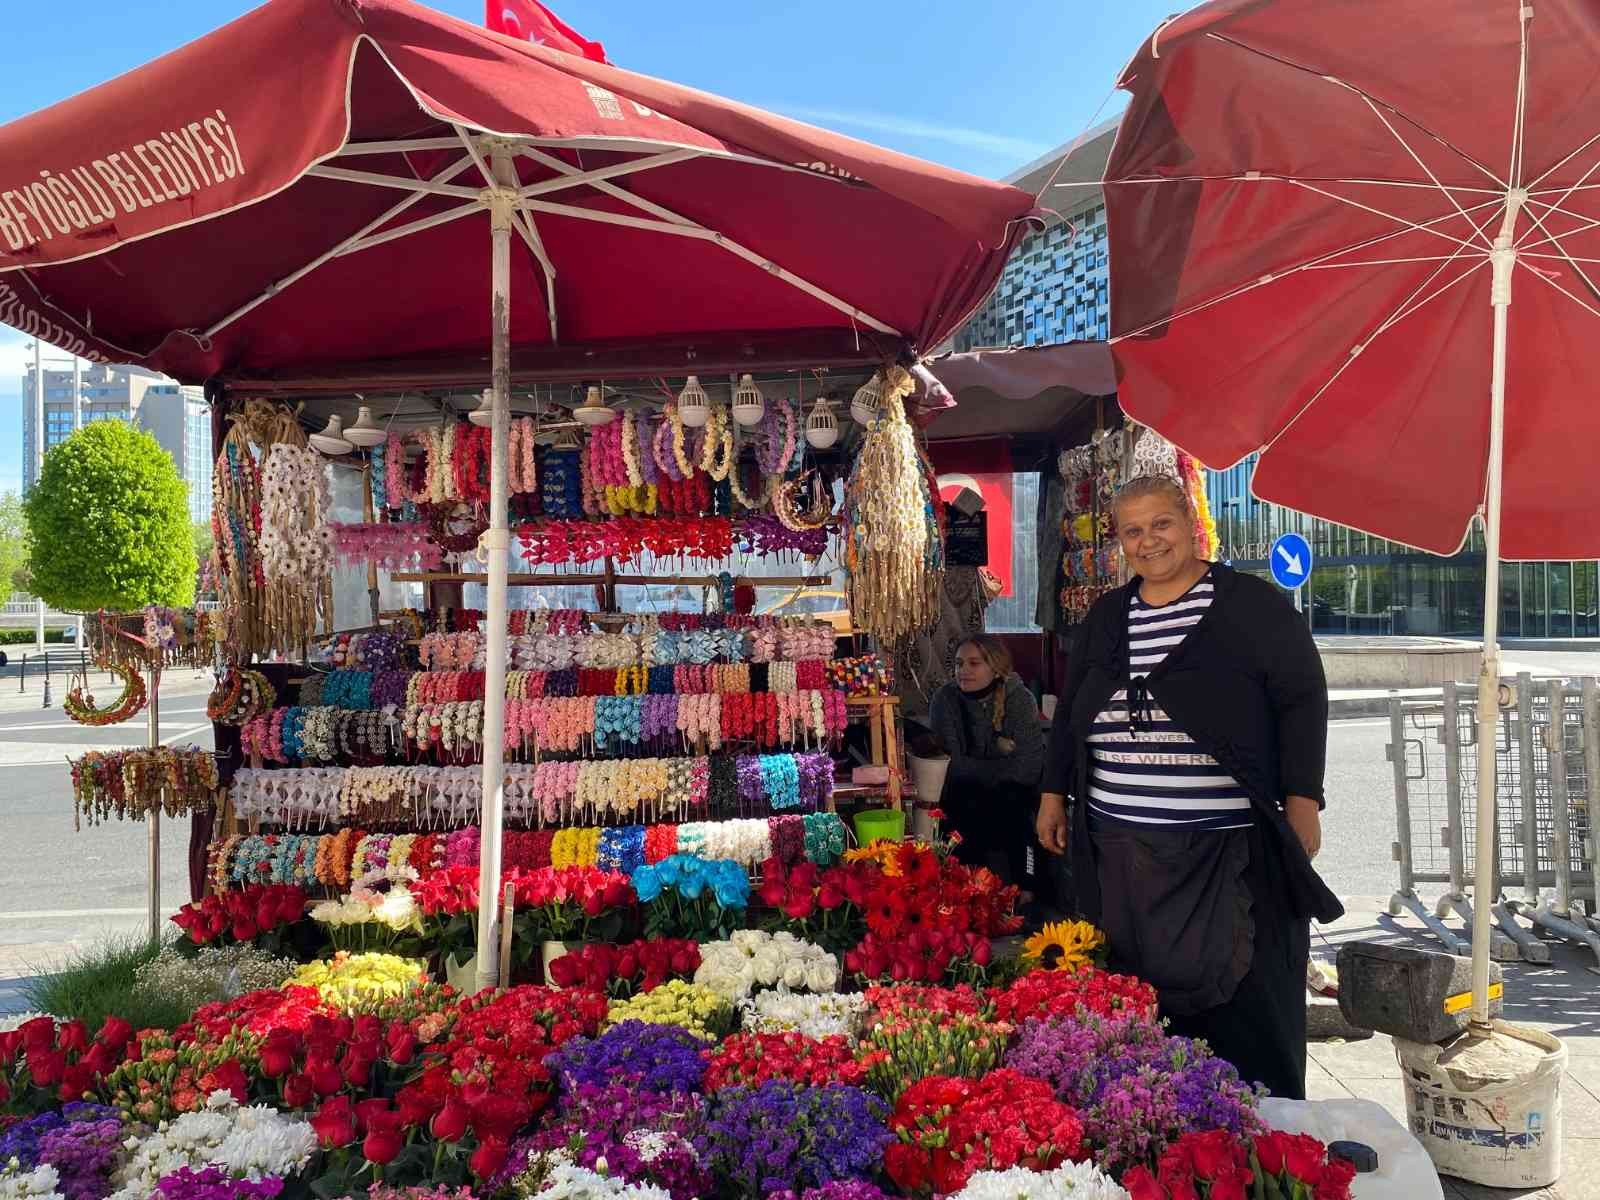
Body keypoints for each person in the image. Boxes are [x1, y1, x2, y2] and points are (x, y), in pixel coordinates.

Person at [1036, 474, 1342, 1100]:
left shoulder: (1249, 607)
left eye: (1161, 524)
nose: (1149, 541)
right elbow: (1071, 711)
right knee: (1138, 1008)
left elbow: (1302, 697)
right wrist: (1052, 794)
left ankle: (1253, 1138)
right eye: (1133, 531)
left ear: (1190, 523)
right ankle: (1147, 1130)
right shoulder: (1106, 617)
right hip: (1119, 850)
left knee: (1243, 1010)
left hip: (1225, 854)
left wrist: (1302, 800)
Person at [928, 635, 1044, 891]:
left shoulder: (1019, 699)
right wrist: (998, 748)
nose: (964, 671)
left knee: (1014, 806)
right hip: (961, 801)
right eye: (959, 664)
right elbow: (950, 767)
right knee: (965, 799)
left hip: (1011, 803)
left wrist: (975, 762)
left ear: (995, 667)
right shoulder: (945, 700)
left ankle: (1021, 891)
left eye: (974, 663)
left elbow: (1028, 769)